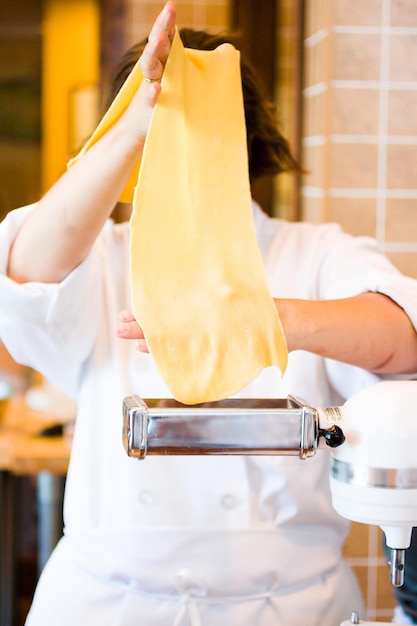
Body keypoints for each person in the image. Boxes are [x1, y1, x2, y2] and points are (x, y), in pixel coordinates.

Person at [1, 2, 417, 624]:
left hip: (288, 609)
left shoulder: (315, 252)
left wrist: (268, 321)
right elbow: (28, 268)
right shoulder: (104, 256)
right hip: (109, 606)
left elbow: (404, 338)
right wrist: (133, 125)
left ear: (244, 136)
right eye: (161, 132)